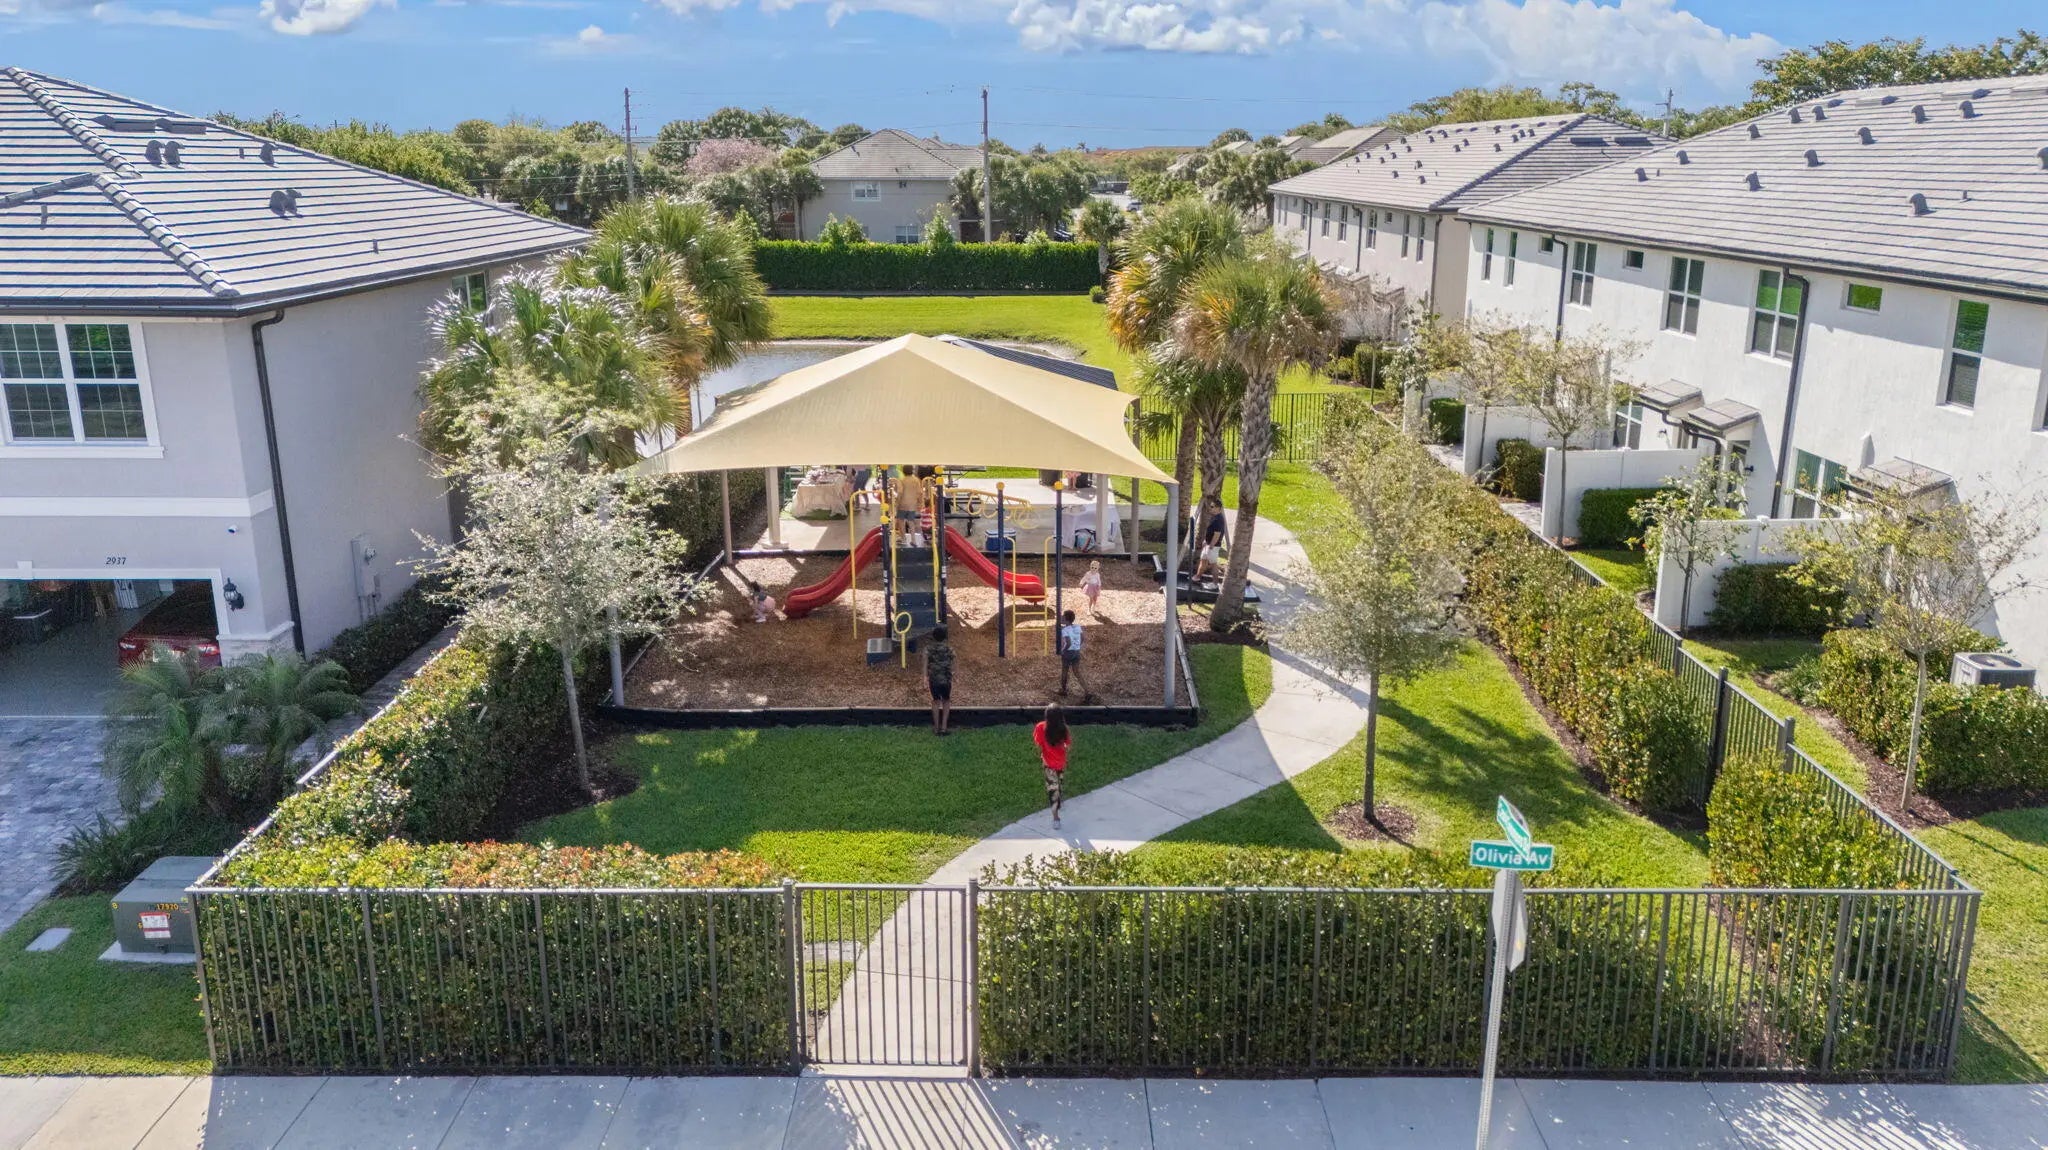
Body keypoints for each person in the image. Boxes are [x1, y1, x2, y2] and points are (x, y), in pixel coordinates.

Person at [1033, 702, 1071, 827]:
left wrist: (1042, 755)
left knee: (1052, 790)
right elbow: (1068, 745)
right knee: (1059, 784)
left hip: (1048, 764)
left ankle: (1056, 818)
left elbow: (1038, 744)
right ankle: (1059, 799)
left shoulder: (1040, 727)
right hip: (1061, 763)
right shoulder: (1064, 729)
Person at [1056, 610, 1096, 702]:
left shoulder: (1064, 630)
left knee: (1065, 671)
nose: (1061, 617)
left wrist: (1062, 651)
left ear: (1066, 619)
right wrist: (1077, 646)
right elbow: (1082, 638)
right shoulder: (1077, 627)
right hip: (1076, 652)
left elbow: (1068, 643)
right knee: (1077, 672)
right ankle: (1087, 691)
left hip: (1068, 653)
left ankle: (1063, 690)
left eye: (1063, 617)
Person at [924, 624, 955, 736]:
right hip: (946, 679)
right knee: (946, 701)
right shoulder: (949, 649)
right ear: (945, 636)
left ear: (933, 636)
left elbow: (925, 664)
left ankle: (936, 728)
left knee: (935, 701)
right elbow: (953, 664)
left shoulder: (928, 649)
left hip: (934, 680)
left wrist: (925, 677)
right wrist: (953, 674)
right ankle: (944, 728)